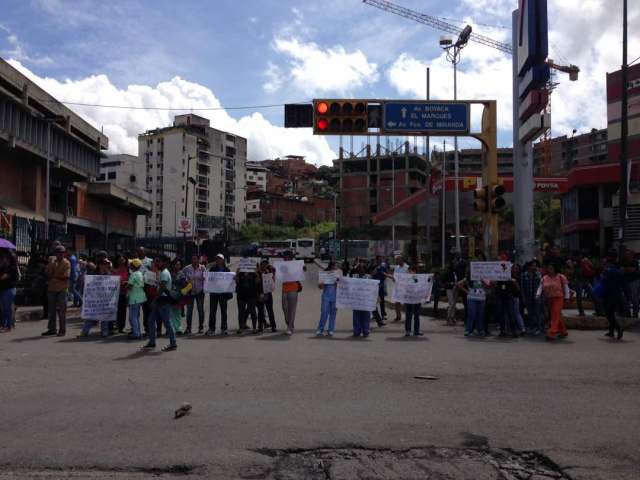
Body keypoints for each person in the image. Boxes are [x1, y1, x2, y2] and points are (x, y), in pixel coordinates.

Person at [142, 255, 177, 351]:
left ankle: (173, 343)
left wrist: (154, 300)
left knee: (167, 323)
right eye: (155, 262)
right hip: (160, 301)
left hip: (163, 301)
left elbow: (162, 289)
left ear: (163, 263)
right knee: (151, 320)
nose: (155, 263)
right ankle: (152, 342)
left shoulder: (164, 273)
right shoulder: (161, 272)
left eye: (158, 261)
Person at [78, 258, 113, 337]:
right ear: (100, 265)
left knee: (104, 316)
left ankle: (104, 332)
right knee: (91, 316)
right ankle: (84, 332)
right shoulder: (94, 273)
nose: (105, 265)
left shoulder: (109, 273)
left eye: (107, 264)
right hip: (94, 298)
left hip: (105, 298)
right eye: (104, 264)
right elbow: (89, 284)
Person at [537, 262, 570, 341]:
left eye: (551, 268)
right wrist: (538, 294)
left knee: (555, 313)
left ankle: (552, 333)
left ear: (555, 268)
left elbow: (566, 287)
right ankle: (563, 331)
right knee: (555, 315)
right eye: (548, 268)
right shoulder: (545, 277)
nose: (550, 269)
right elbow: (540, 286)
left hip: (558, 298)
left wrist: (567, 297)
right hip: (549, 298)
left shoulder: (561, 277)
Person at [42, 245, 71, 337]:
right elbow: (47, 273)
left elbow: (66, 276)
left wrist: (54, 276)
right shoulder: (52, 262)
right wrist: (51, 264)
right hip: (52, 288)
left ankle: (62, 330)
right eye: (58, 253)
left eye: (61, 253)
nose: (59, 255)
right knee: (51, 310)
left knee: (62, 311)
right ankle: (52, 329)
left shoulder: (66, 263)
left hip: (62, 289)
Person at [599, 252, 626, 340]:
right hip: (617, 294)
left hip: (608, 294)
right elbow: (624, 284)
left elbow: (604, 281)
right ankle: (611, 331)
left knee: (608, 313)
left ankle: (618, 328)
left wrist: (602, 275)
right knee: (611, 312)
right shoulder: (620, 272)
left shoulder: (608, 271)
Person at [457, 271, 489, 337]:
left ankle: (480, 330)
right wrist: (467, 291)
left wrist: (484, 282)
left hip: (482, 298)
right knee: (472, 314)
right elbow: (458, 284)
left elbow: (489, 285)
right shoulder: (468, 278)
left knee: (480, 315)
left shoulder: (484, 277)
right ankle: (468, 330)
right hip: (472, 298)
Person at [281, 250, 304, 335]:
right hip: (284, 288)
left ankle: (289, 327)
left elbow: (302, 271)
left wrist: (303, 268)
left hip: (293, 288)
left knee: (292, 309)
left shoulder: (295, 265)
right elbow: (278, 273)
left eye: (287, 257)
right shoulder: (282, 264)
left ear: (290, 257)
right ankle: (289, 324)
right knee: (284, 308)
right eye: (284, 257)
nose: (285, 258)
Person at [207, 254, 231, 336]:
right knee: (212, 312)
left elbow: (230, 281)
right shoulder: (212, 269)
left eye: (220, 259)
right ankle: (211, 328)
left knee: (224, 312)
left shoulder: (227, 270)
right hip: (214, 294)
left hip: (223, 294)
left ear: (223, 260)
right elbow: (209, 280)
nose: (218, 260)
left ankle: (224, 328)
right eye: (217, 259)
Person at [182, 254, 206, 334]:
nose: (194, 260)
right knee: (189, 311)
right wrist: (185, 281)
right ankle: (188, 328)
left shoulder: (202, 268)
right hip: (190, 292)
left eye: (196, 259)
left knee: (200, 310)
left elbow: (206, 278)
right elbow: (181, 277)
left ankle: (201, 327)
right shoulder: (187, 268)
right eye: (193, 259)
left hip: (200, 291)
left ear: (199, 260)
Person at [235, 261, 260, 334]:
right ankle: (241, 327)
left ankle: (254, 328)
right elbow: (236, 281)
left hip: (251, 295)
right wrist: (237, 274)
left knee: (253, 311)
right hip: (241, 295)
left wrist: (256, 273)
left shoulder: (253, 274)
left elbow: (258, 282)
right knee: (241, 312)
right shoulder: (240, 273)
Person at [316, 260, 339, 337]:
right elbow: (320, 287)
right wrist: (322, 284)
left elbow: (342, 287)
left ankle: (331, 330)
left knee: (333, 314)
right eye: (335, 266)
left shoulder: (338, 275)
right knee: (324, 312)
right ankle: (320, 329)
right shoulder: (324, 274)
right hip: (326, 296)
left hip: (335, 297)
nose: (336, 268)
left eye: (337, 266)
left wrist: (338, 283)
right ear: (331, 266)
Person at [350, 260, 372, 337]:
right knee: (356, 316)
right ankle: (357, 331)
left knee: (366, 316)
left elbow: (373, 288)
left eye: (362, 268)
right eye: (359, 268)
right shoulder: (354, 276)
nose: (360, 269)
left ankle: (366, 331)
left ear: (365, 269)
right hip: (356, 300)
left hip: (365, 301)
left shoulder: (368, 277)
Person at [521, 260, 542, 335]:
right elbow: (522, 287)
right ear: (529, 266)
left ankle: (538, 327)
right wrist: (523, 297)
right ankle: (531, 327)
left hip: (536, 296)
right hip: (528, 297)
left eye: (535, 265)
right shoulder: (524, 275)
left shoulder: (538, 274)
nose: (534, 267)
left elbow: (541, 285)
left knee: (537, 312)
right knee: (530, 313)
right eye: (533, 265)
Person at [126, 258, 146, 339]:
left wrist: (126, 285)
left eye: (131, 264)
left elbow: (130, 286)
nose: (129, 265)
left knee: (133, 316)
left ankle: (136, 333)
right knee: (136, 316)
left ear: (133, 266)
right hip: (140, 297)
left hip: (134, 297)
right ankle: (137, 332)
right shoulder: (140, 273)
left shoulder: (133, 274)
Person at [402, 264, 424, 337]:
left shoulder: (418, 278)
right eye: (409, 271)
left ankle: (416, 331)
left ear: (415, 271)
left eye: (411, 271)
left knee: (416, 315)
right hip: (408, 299)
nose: (409, 272)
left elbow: (421, 285)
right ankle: (408, 331)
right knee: (408, 315)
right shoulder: (406, 278)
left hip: (416, 299)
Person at [0, 251, 19, 332]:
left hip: (9, 289)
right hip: (3, 289)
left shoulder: (13, 268)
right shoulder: (4, 267)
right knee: (3, 308)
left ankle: (8, 326)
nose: (4, 259)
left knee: (7, 308)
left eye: (6, 258)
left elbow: (3, 277)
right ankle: (3, 325)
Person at [257, 259, 277, 332]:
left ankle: (273, 326)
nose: (264, 265)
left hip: (268, 293)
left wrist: (272, 273)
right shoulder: (257, 272)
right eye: (263, 264)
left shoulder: (270, 271)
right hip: (260, 293)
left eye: (266, 264)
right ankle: (260, 326)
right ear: (261, 264)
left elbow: (273, 281)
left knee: (270, 311)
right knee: (260, 311)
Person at [112, 253, 129, 334]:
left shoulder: (127, 269)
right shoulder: (113, 269)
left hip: (123, 292)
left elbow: (129, 279)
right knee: (114, 310)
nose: (121, 261)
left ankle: (121, 327)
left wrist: (125, 282)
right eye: (120, 259)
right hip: (114, 293)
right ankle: (114, 326)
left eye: (123, 259)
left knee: (122, 311)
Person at [620, 249, 640, 318]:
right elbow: (621, 270)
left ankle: (635, 314)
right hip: (625, 282)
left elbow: (633, 270)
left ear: (632, 255)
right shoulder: (623, 261)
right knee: (625, 299)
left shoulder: (635, 262)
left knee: (634, 298)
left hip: (634, 281)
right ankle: (627, 314)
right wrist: (628, 269)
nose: (627, 256)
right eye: (626, 254)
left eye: (629, 254)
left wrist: (626, 269)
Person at [390, 255, 409, 323]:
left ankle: (408, 316)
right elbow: (395, 276)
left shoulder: (407, 267)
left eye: (398, 259)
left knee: (406, 302)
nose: (397, 261)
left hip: (405, 287)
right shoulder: (396, 267)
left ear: (402, 260)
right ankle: (398, 316)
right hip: (397, 287)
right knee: (396, 302)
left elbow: (409, 277)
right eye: (396, 259)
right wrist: (393, 278)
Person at [443, 259, 459, 326]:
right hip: (449, 289)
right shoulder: (448, 272)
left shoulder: (456, 272)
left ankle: (452, 317)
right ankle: (448, 317)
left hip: (455, 289)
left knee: (454, 304)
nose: (455, 265)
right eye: (454, 264)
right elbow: (444, 282)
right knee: (451, 303)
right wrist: (451, 283)